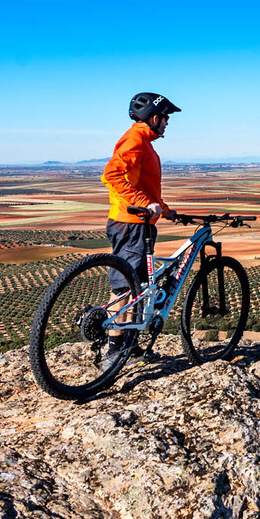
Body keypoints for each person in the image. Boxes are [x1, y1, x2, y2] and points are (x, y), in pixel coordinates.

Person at [100, 92, 180, 360]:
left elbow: (143, 187)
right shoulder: (136, 139)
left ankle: (129, 346)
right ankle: (114, 350)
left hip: (138, 223)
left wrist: (166, 211)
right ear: (155, 118)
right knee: (124, 287)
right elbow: (111, 174)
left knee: (136, 286)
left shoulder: (145, 142)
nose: (168, 123)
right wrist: (143, 203)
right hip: (130, 223)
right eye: (166, 117)